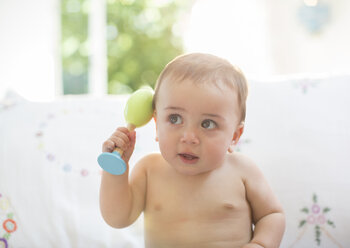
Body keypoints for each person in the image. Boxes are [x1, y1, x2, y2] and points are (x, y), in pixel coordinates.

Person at [99, 53, 285, 248]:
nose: (188, 137)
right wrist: (115, 169)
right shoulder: (148, 170)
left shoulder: (242, 170)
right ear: (156, 125)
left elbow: (271, 215)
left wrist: (261, 244)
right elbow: (117, 218)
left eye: (207, 123)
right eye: (175, 119)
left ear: (234, 136)